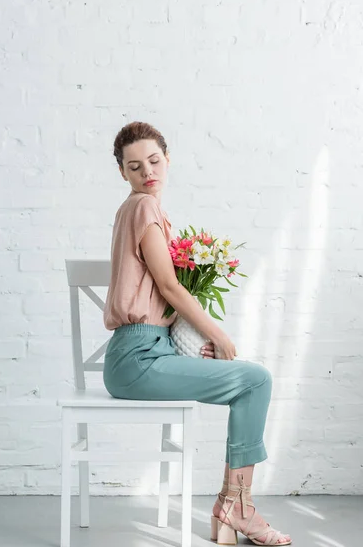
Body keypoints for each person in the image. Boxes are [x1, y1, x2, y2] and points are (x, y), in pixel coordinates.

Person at [102, 121, 292, 546]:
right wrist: (218, 335)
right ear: (123, 173)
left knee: (250, 382)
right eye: (135, 166)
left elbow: (160, 296)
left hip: (148, 352)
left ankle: (233, 509)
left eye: (153, 160)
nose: (147, 171)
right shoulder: (143, 207)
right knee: (256, 379)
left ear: (167, 159)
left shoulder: (140, 210)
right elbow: (169, 287)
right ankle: (238, 508)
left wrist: (184, 345)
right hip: (137, 358)